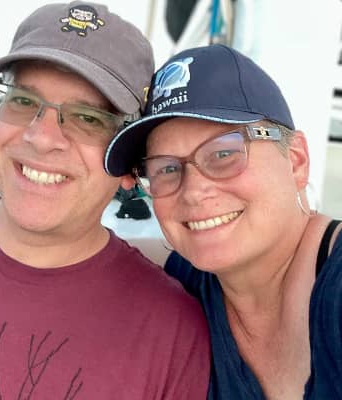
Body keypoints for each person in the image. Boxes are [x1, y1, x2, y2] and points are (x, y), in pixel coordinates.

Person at [0, 2, 211, 398]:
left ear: (129, 166)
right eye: (23, 100)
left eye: (88, 118)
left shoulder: (171, 334)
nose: (41, 137)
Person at [104, 44, 342, 399]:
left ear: (296, 161)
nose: (193, 192)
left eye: (224, 153)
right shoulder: (187, 282)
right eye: (166, 168)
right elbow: (85, 249)